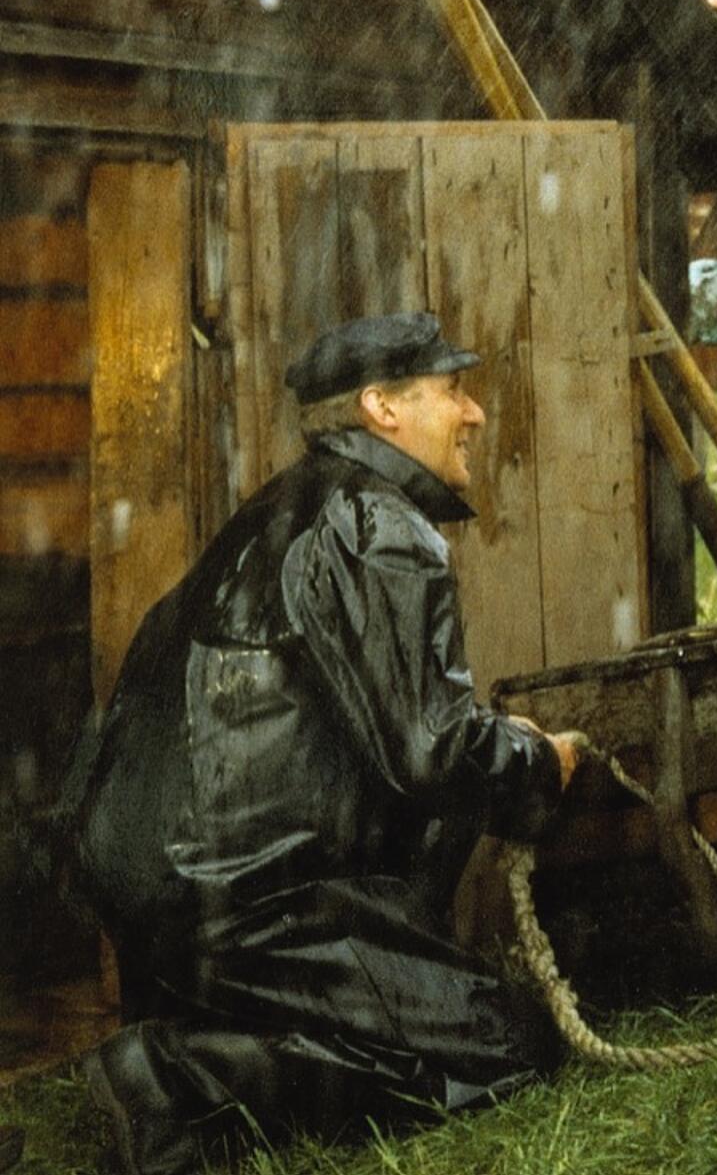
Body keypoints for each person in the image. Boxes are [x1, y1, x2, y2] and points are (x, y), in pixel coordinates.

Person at [61, 312, 581, 1174]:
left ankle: (198, 1037)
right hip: (243, 895)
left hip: (146, 884)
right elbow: (429, 752)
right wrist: (539, 763)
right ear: (382, 407)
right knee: (507, 1042)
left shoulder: (281, 506)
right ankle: (181, 1072)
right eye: (453, 391)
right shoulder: (376, 523)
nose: (476, 412)